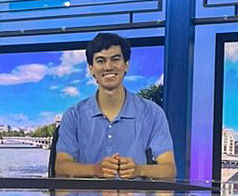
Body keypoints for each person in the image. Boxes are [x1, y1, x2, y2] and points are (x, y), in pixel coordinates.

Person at [53, 32, 176, 179]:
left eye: (115, 59)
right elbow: (61, 167)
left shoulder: (153, 113)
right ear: (91, 68)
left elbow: (169, 169)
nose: (108, 67)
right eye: (100, 61)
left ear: (126, 65)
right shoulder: (73, 115)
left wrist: (138, 170)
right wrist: (96, 170)